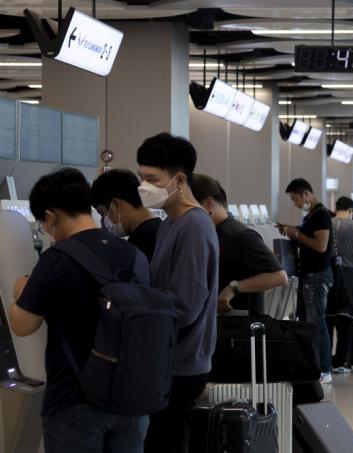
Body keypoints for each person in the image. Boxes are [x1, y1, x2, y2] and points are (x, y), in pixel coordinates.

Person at [10, 168, 151, 452]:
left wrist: (21, 291)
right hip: (131, 398)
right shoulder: (134, 255)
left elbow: (22, 325)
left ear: (50, 216)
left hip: (75, 400)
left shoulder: (57, 258)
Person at [137, 133, 219, 453]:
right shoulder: (170, 222)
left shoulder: (194, 226)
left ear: (179, 180)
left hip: (182, 363)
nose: (144, 187)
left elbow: (184, 305)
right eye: (142, 178)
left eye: (152, 179)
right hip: (168, 359)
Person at [191, 174, 288, 315]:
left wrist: (233, 288)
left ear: (208, 204)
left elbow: (279, 276)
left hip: (239, 322)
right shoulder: (214, 232)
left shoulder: (239, 235)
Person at [277, 178, 334, 385]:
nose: (295, 204)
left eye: (295, 199)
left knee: (317, 322)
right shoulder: (312, 215)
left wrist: (297, 234)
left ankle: (324, 369)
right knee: (310, 322)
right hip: (309, 275)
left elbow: (321, 245)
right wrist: (291, 230)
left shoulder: (320, 215)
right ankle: (315, 365)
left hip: (317, 276)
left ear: (306, 194)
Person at [326, 197, 353, 373]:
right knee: (346, 320)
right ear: (350, 210)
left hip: (329, 274)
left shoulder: (327, 223)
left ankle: (325, 359)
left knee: (328, 318)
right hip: (350, 275)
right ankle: (341, 361)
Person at [91, 168, 162, 262]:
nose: (103, 222)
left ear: (116, 205)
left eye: (102, 213)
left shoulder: (141, 242)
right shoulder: (161, 228)